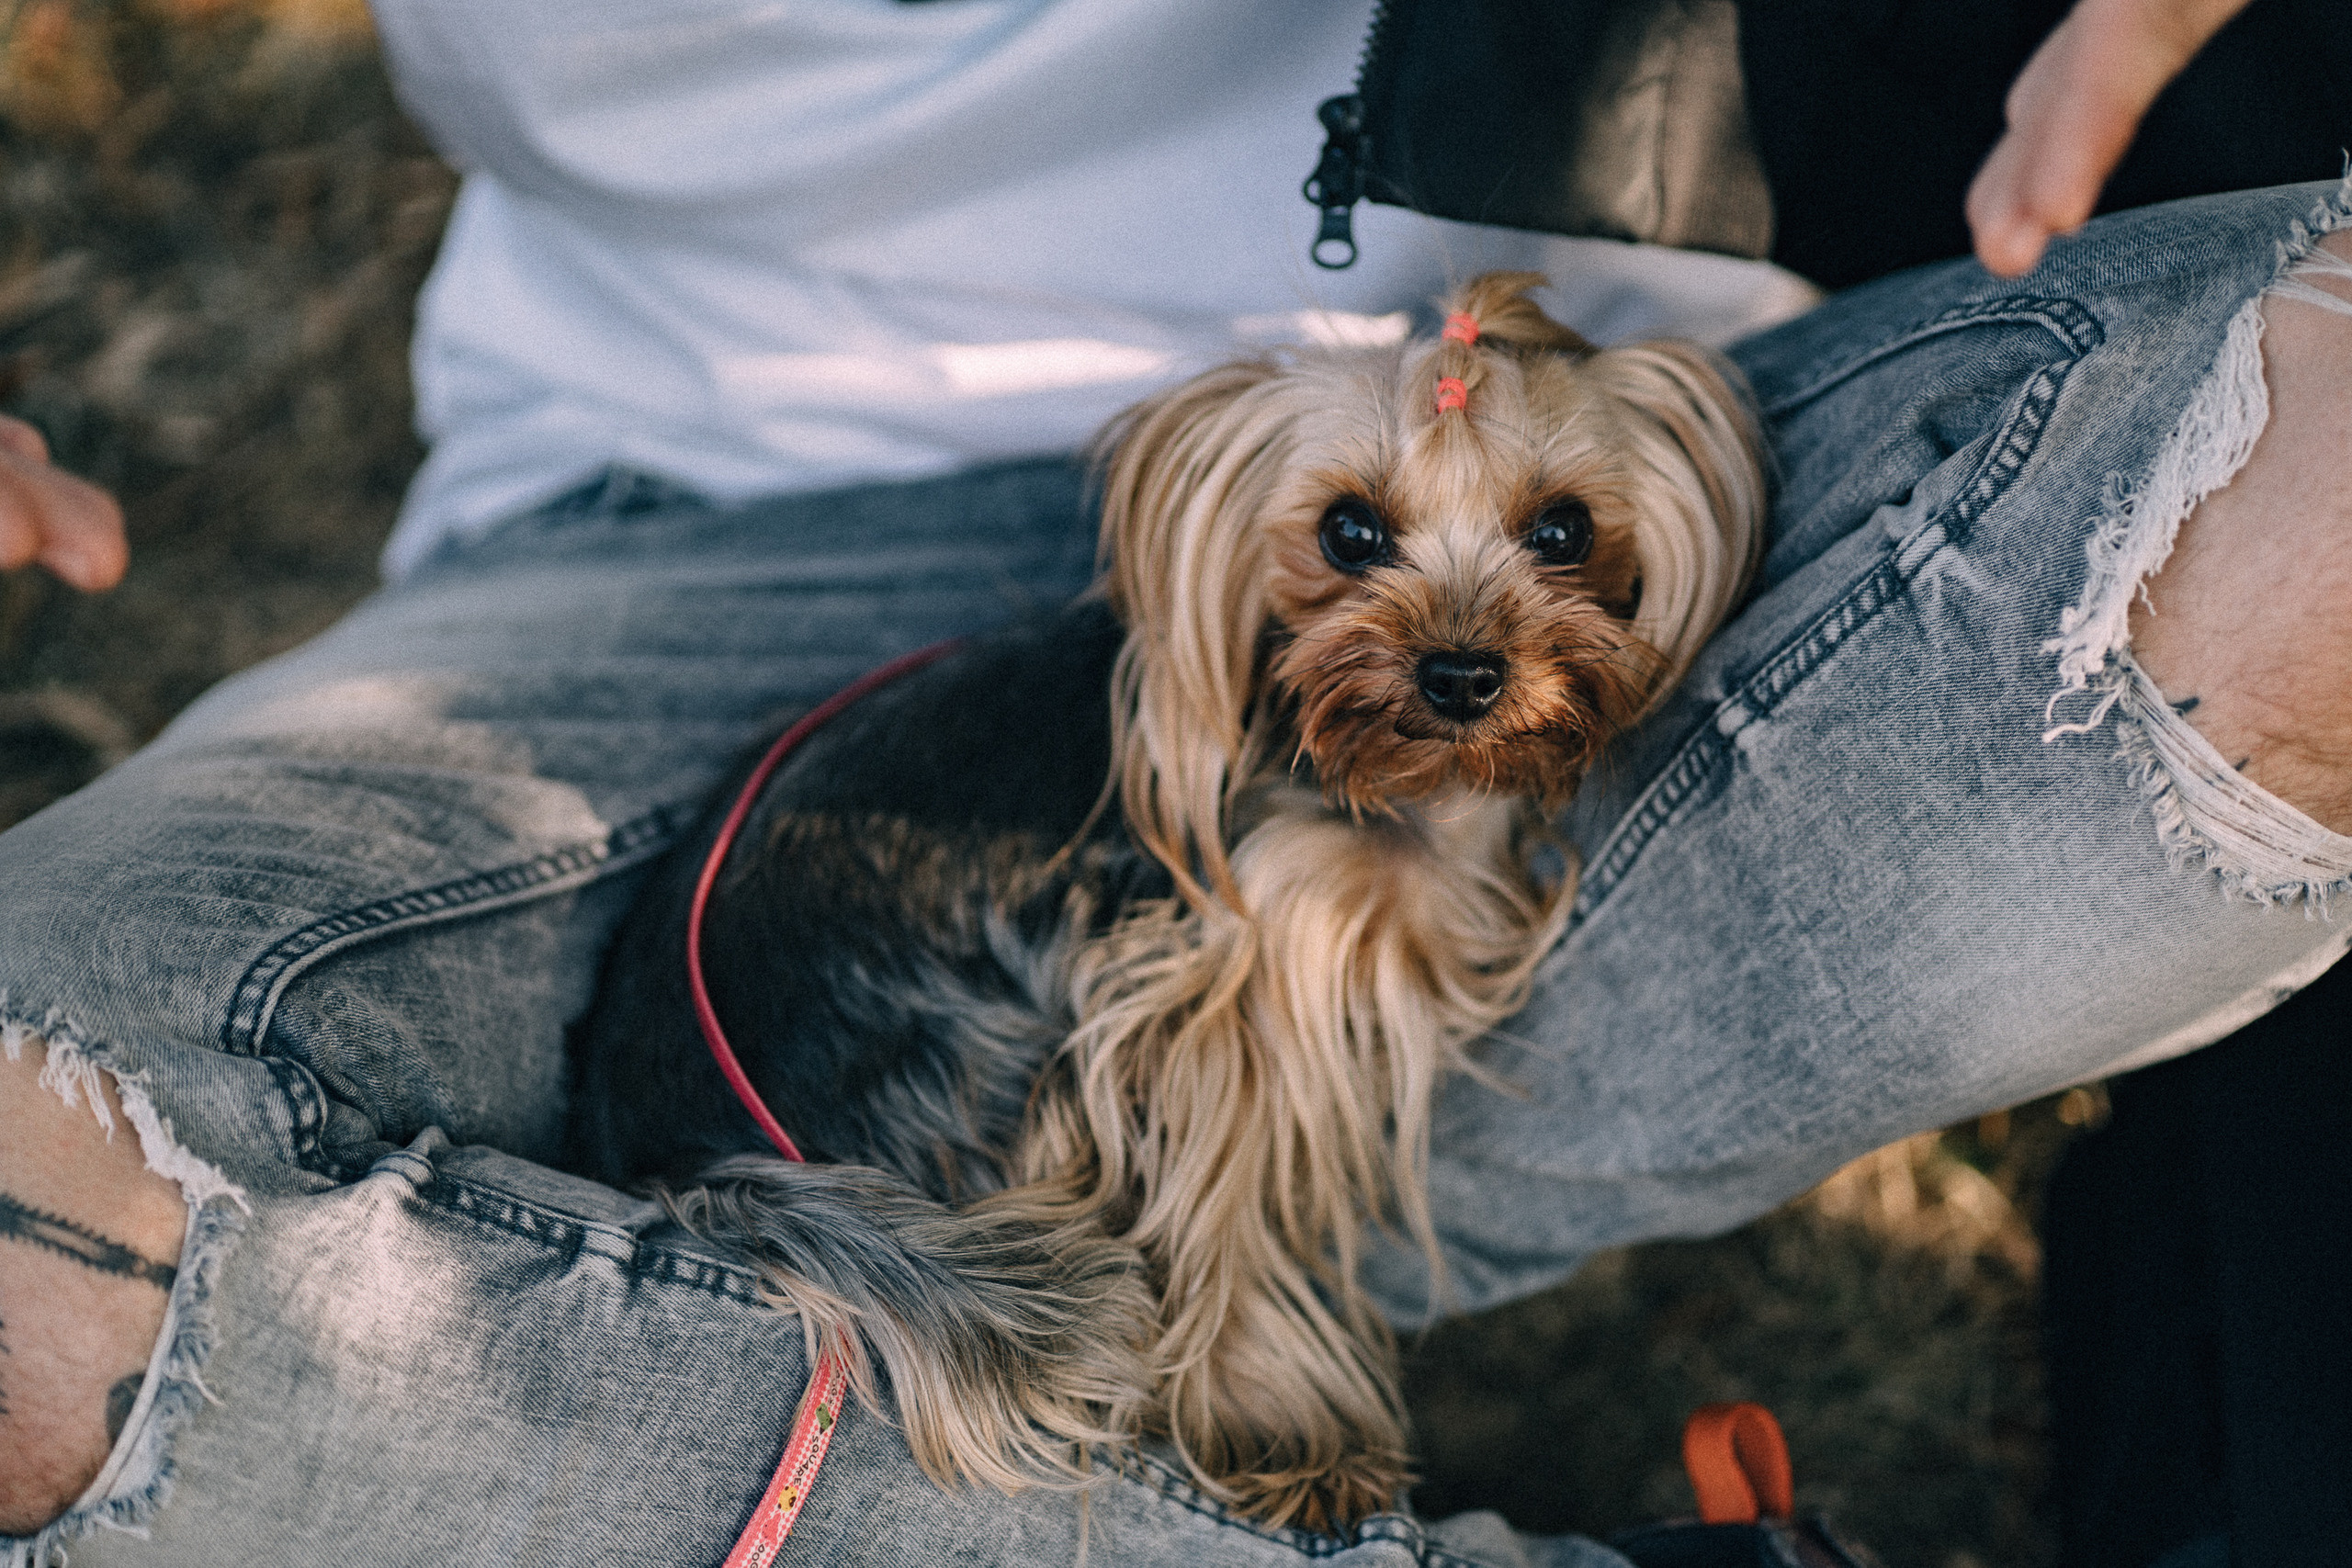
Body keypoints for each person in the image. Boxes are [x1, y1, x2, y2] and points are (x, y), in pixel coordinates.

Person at [5, 0, 2346, 1562]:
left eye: (1547, 549)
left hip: (1666, 328)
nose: (1453, 615)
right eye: (1366, 552)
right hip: (675, 490)